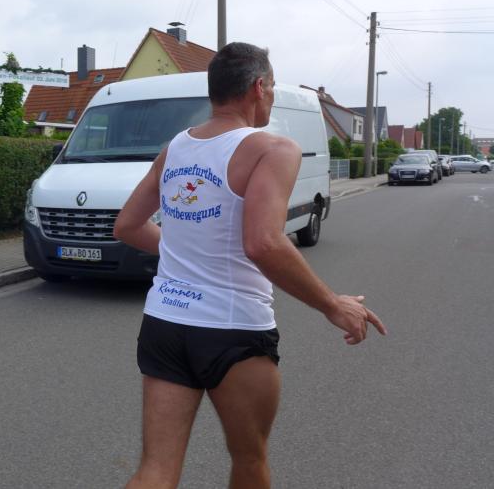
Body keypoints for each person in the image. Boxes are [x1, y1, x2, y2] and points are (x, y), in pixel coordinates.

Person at [113, 42, 387, 489]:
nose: (272, 95)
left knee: (156, 470)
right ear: (259, 87)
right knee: (249, 459)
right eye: (272, 86)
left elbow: (126, 226)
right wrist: (332, 304)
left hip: (166, 323)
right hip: (233, 330)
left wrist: (187, 253)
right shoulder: (273, 149)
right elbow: (263, 243)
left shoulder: (175, 148)